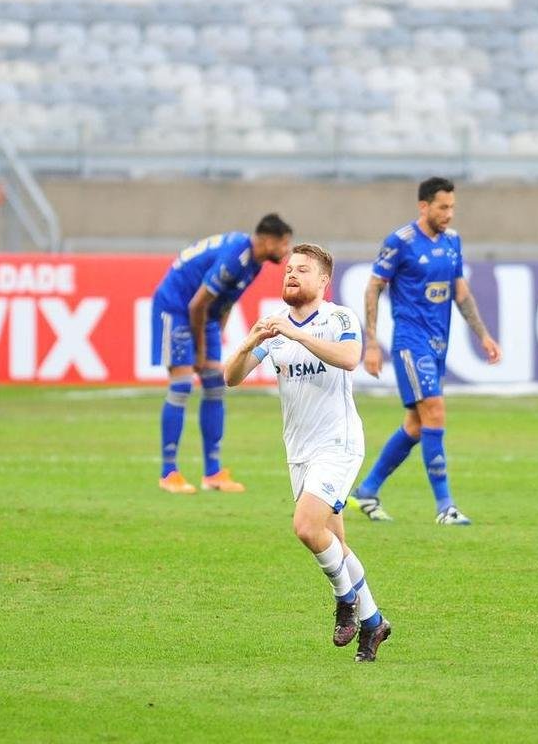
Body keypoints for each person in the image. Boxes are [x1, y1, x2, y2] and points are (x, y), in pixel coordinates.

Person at [225, 244, 391, 662]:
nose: (292, 276)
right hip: (299, 451)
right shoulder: (275, 330)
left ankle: (345, 602)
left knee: (305, 527)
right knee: (332, 540)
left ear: (323, 281)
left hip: (339, 443)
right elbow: (231, 378)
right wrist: (249, 343)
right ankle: (373, 624)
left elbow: (351, 359)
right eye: (288, 271)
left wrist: (297, 333)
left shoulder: (338, 319)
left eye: (302, 270)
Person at [349, 177, 501, 525]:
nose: (449, 214)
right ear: (424, 206)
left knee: (416, 424)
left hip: (438, 344)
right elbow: (374, 288)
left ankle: (367, 491)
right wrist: (372, 342)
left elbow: (460, 292)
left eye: (452, 207)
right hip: (410, 341)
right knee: (435, 411)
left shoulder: (452, 242)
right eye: (442, 207)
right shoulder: (400, 242)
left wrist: (483, 335)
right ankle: (445, 506)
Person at [150, 214, 293, 494]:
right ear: (267, 241)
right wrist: (201, 352)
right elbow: (197, 304)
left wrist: (217, 339)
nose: (287, 251)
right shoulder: (235, 258)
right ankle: (169, 473)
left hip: (205, 315)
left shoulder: (255, 263)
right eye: (284, 244)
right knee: (181, 385)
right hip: (176, 307)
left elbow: (225, 303)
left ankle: (212, 473)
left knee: (216, 384)